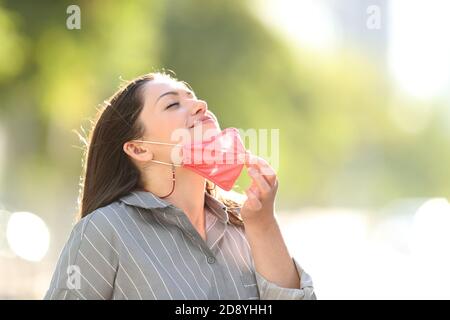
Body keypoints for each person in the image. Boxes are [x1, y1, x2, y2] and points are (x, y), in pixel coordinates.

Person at [44, 72, 316, 300]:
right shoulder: (106, 230)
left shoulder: (245, 223)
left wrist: (263, 224)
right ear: (139, 148)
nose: (201, 105)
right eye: (172, 104)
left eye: (192, 97)